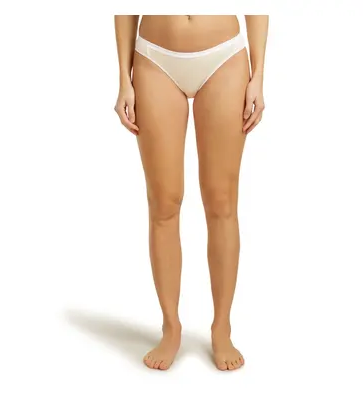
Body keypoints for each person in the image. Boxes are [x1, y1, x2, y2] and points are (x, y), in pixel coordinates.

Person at [114, 15, 268, 371]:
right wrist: (123, 76)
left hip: (224, 56)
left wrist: (259, 73)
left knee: (222, 202)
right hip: (154, 58)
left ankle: (222, 327)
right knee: (163, 203)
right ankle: (170, 327)